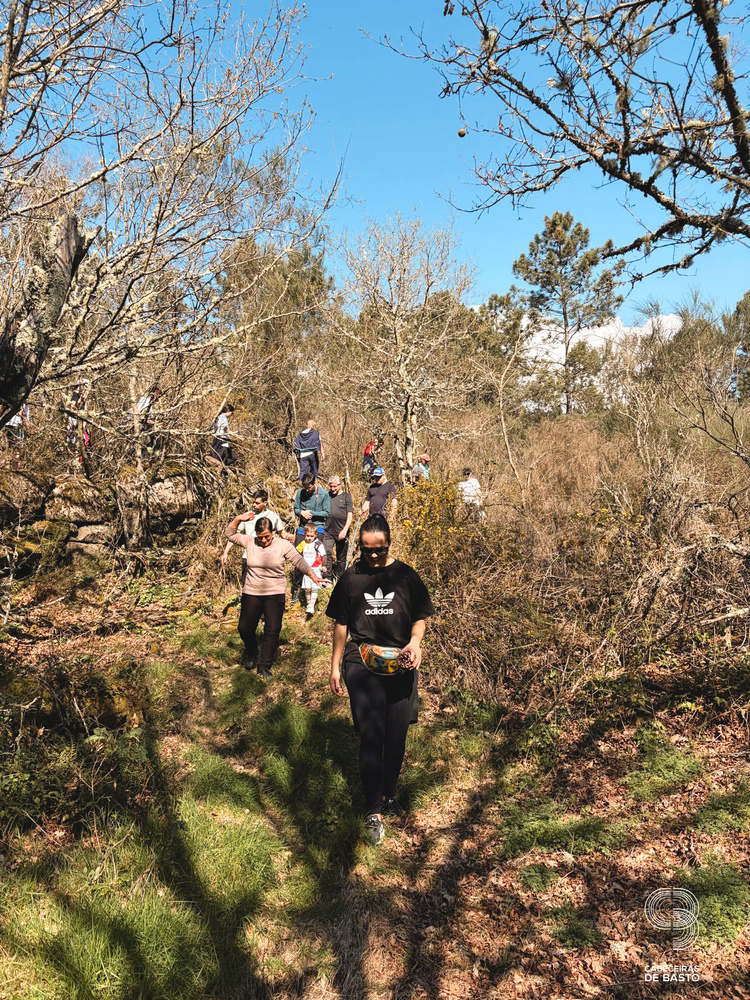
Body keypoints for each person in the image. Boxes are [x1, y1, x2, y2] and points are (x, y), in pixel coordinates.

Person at [327, 514, 434, 846]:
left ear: (389, 544)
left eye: (379, 549)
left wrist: (415, 643)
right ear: (359, 545)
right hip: (361, 660)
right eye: (366, 549)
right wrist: (334, 667)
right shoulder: (350, 579)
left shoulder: (405, 576)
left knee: (396, 735)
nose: (373, 556)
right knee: (373, 733)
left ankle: (389, 794)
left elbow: (419, 617)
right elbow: (341, 626)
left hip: (400, 660)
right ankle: (373, 810)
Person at [225, 513, 323, 676]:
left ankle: (264, 665)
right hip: (252, 591)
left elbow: (298, 560)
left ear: (273, 533)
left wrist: (312, 575)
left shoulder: (282, 545)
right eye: (260, 537)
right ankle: (251, 650)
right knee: (244, 628)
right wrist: (238, 519)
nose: (263, 541)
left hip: (275, 592)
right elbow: (230, 534)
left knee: (272, 629)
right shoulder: (250, 541)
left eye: (267, 537)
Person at [220, 489, 294, 585]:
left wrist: (291, 537)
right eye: (253, 502)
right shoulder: (247, 516)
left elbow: (283, 534)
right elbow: (234, 536)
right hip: (248, 557)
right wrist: (225, 552)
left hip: (267, 557)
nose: (254, 505)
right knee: (247, 586)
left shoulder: (273, 516)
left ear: (265, 503)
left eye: (257, 503)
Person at [296, 522, 329, 618]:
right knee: (307, 588)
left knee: (314, 587)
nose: (309, 538)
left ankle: (312, 604)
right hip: (306, 569)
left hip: (316, 568)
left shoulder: (318, 544)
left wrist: (324, 565)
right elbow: (296, 551)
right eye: (307, 536)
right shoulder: (303, 543)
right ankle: (309, 604)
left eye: (311, 536)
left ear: (315, 535)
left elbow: (324, 555)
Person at [324, 475, 354, 579]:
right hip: (328, 531)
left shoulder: (346, 497)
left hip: (342, 531)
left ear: (340, 485)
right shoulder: (327, 496)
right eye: (331, 486)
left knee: (341, 557)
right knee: (326, 553)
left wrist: (345, 530)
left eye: (335, 486)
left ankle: (339, 578)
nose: (332, 489)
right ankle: (327, 578)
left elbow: (350, 515)